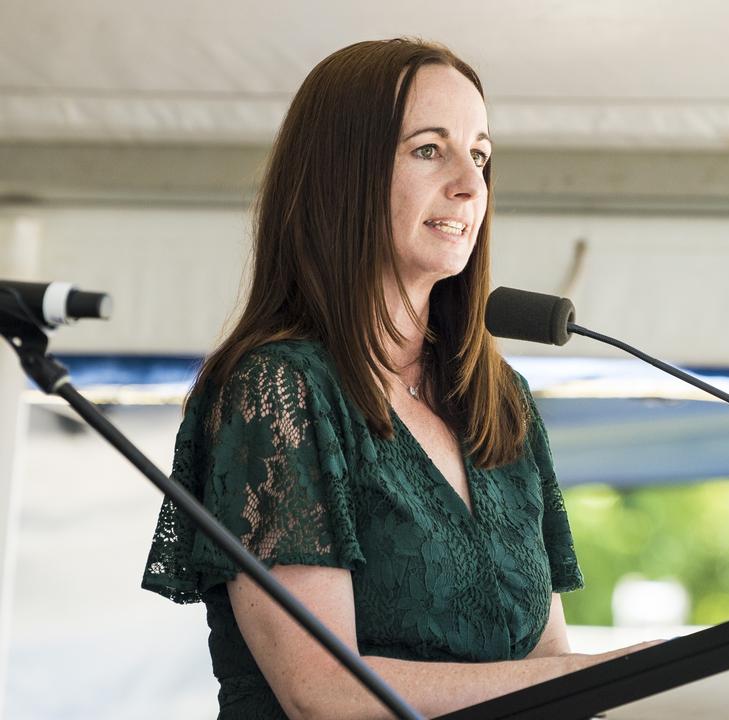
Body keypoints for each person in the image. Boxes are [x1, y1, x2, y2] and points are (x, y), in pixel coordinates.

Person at [141, 38, 654, 719]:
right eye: (428, 149)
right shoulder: (280, 391)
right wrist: (607, 673)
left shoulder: (501, 400)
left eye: (480, 154)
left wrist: (649, 682)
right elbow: (324, 694)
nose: (471, 185)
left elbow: (545, 664)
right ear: (342, 175)